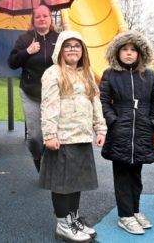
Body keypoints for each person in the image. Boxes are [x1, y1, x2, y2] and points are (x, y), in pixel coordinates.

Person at [40, 30, 107, 243]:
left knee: (77, 182)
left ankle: (73, 218)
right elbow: (48, 104)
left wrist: (101, 128)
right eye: (67, 45)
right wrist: (50, 134)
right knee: (63, 184)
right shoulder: (53, 73)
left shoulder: (86, 73)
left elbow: (95, 101)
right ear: (60, 49)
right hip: (62, 138)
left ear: (83, 51)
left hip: (82, 136)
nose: (72, 49)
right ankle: (62, 224)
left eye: (77, 45)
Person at [99, 30, 154, 234]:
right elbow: (102, 101)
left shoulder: (148, 75)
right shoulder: (110, 74)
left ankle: (135, 211)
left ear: (139, 53)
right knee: (122, 175)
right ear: (117, 53)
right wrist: (113, 121)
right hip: (120, 132)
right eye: (124, 49)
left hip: (143, 132)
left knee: (136, 175)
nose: (129, 53)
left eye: (133, 50)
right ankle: (125, 216)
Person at [7, 4, 59, 172]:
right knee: (36, 136)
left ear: (51, 19)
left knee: (56, 133)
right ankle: (38, 158)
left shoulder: (59, 39)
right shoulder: (25, 39)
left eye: (45, 16)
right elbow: (12, 63)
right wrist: (27, 52)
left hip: (55, 94)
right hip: (31, 92)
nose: (42, 19)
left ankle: (54, 169)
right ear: (33, 21)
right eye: (38, 17)